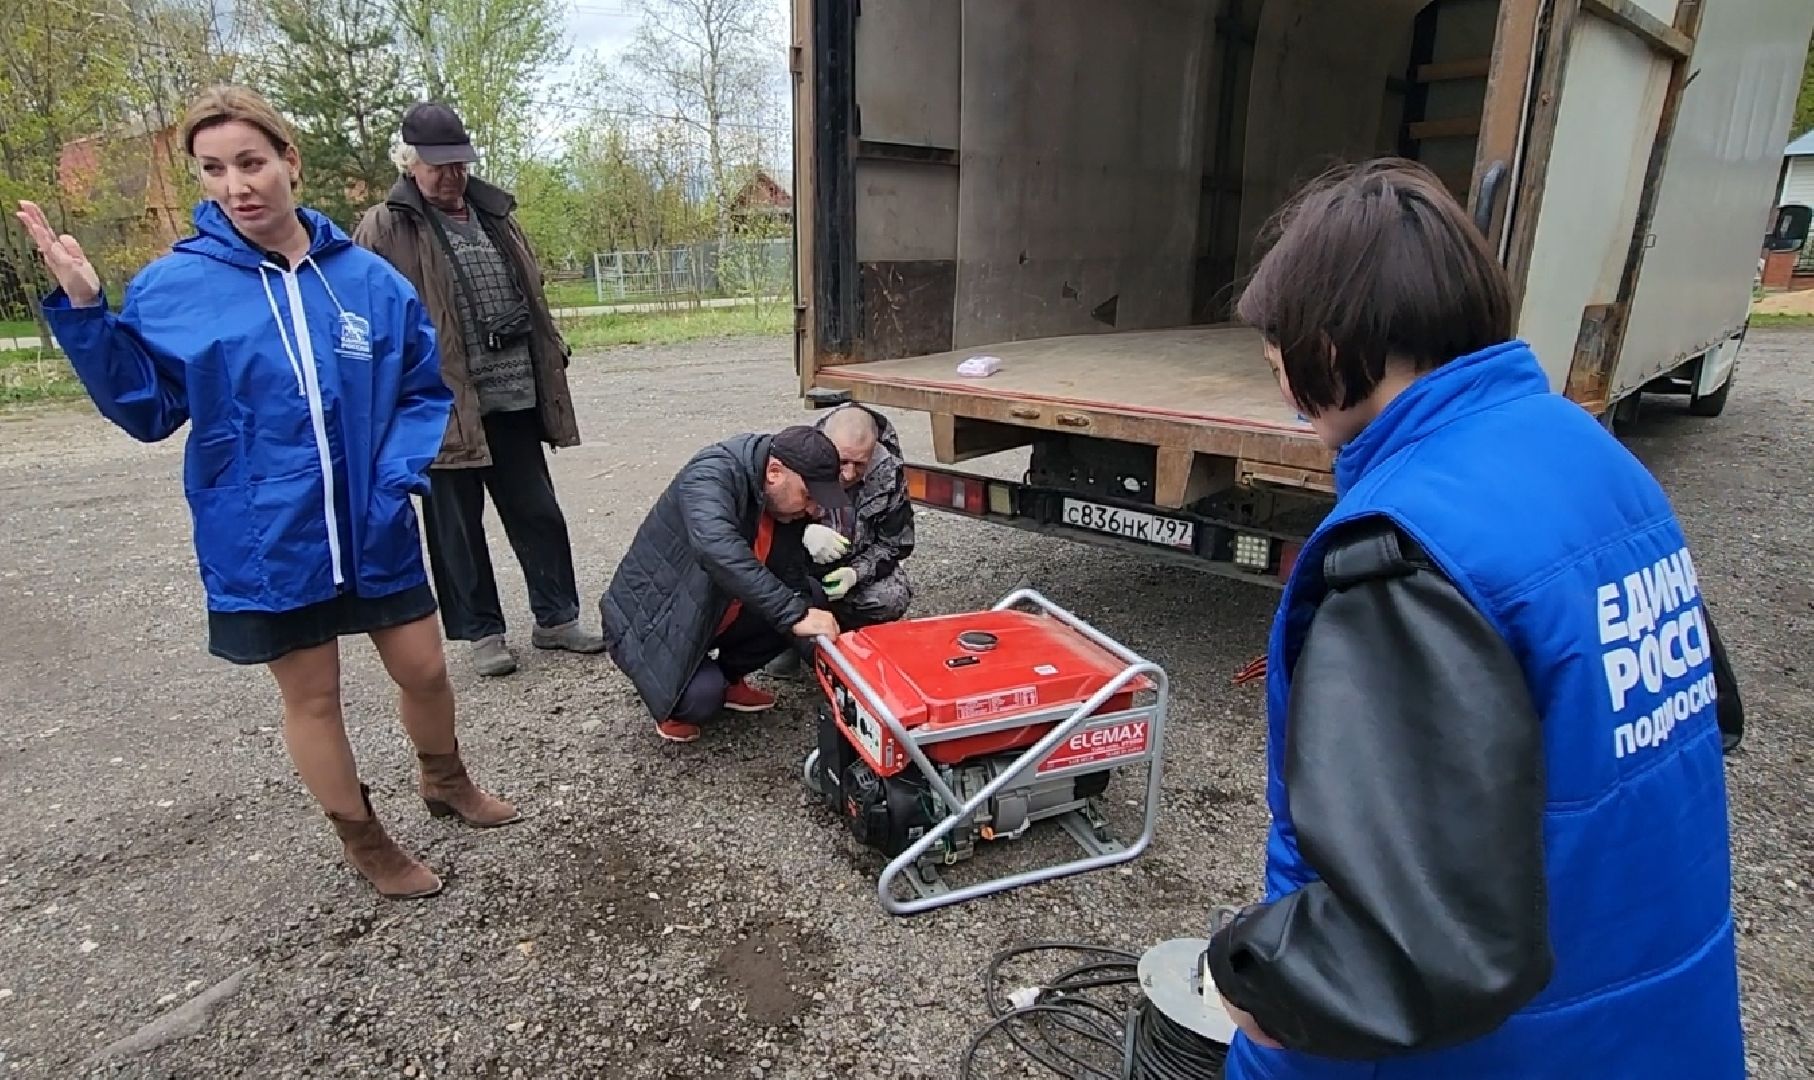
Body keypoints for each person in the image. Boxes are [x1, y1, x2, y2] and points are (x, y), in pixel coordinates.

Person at [1204, 159, 1745, 1079]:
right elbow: (1707, 717)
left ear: (1334, 341)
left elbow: (1414, 942)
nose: (1276, 369)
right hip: (1660, 1015)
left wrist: (1263, 988)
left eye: (1280, 345)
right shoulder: (1597, 459)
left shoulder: (1399, 556)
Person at [16, 85, 519, 902]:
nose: (234, 184)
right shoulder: (173, 287)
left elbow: (421, 389)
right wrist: (84, 310)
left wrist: (393, 482)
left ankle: (445, 780)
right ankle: (364, 840)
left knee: (425, 668)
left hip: (371, 521)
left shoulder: (364, 281)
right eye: (212, 169)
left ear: (290, 161)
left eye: (250, 162)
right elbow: (147, 410)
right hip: (264, 533)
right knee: (314, 695)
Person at [352, 101, 602, 678]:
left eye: (459, 163)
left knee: (538, 511)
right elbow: (366, 319)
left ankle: (557, 618)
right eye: (437, 165)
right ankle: (482, 632)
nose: (451, 175)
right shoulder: (384, 226)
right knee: (456, 528)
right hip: (438, 406)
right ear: (408, 162)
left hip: (512, 395)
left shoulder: (496, 214)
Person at [600, 426, 852, 744]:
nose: (815, 509)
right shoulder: (711, 474)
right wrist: (795, 615)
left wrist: (833, 667)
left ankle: (729, 678)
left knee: (808, 598)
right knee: (702, 699)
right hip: (658, 619)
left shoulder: (784, 503)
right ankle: (680, 703)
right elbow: (716, 549)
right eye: (809, 496)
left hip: (718, 606)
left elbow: (790, 578)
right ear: (775, 472)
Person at [766, 403, 916, 679]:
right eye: (842, 462)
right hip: (798, 569)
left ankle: (853, 641)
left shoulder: (887, 474)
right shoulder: (798, 457)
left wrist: (854, 574)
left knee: (893, 595)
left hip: (850, 569)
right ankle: (784, 644)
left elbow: (897, 544)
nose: (848, 474)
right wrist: (801, 533)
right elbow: (759, 524)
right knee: (770, 586)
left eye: (859, 464)